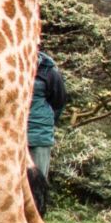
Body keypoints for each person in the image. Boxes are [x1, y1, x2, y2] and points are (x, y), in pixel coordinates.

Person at [28, 50, 67, 180]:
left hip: (38, 138)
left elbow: (58, 103)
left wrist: (42, 125)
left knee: (37, 184)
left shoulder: (48, 72)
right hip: (12, 138)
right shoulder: (10, 70)